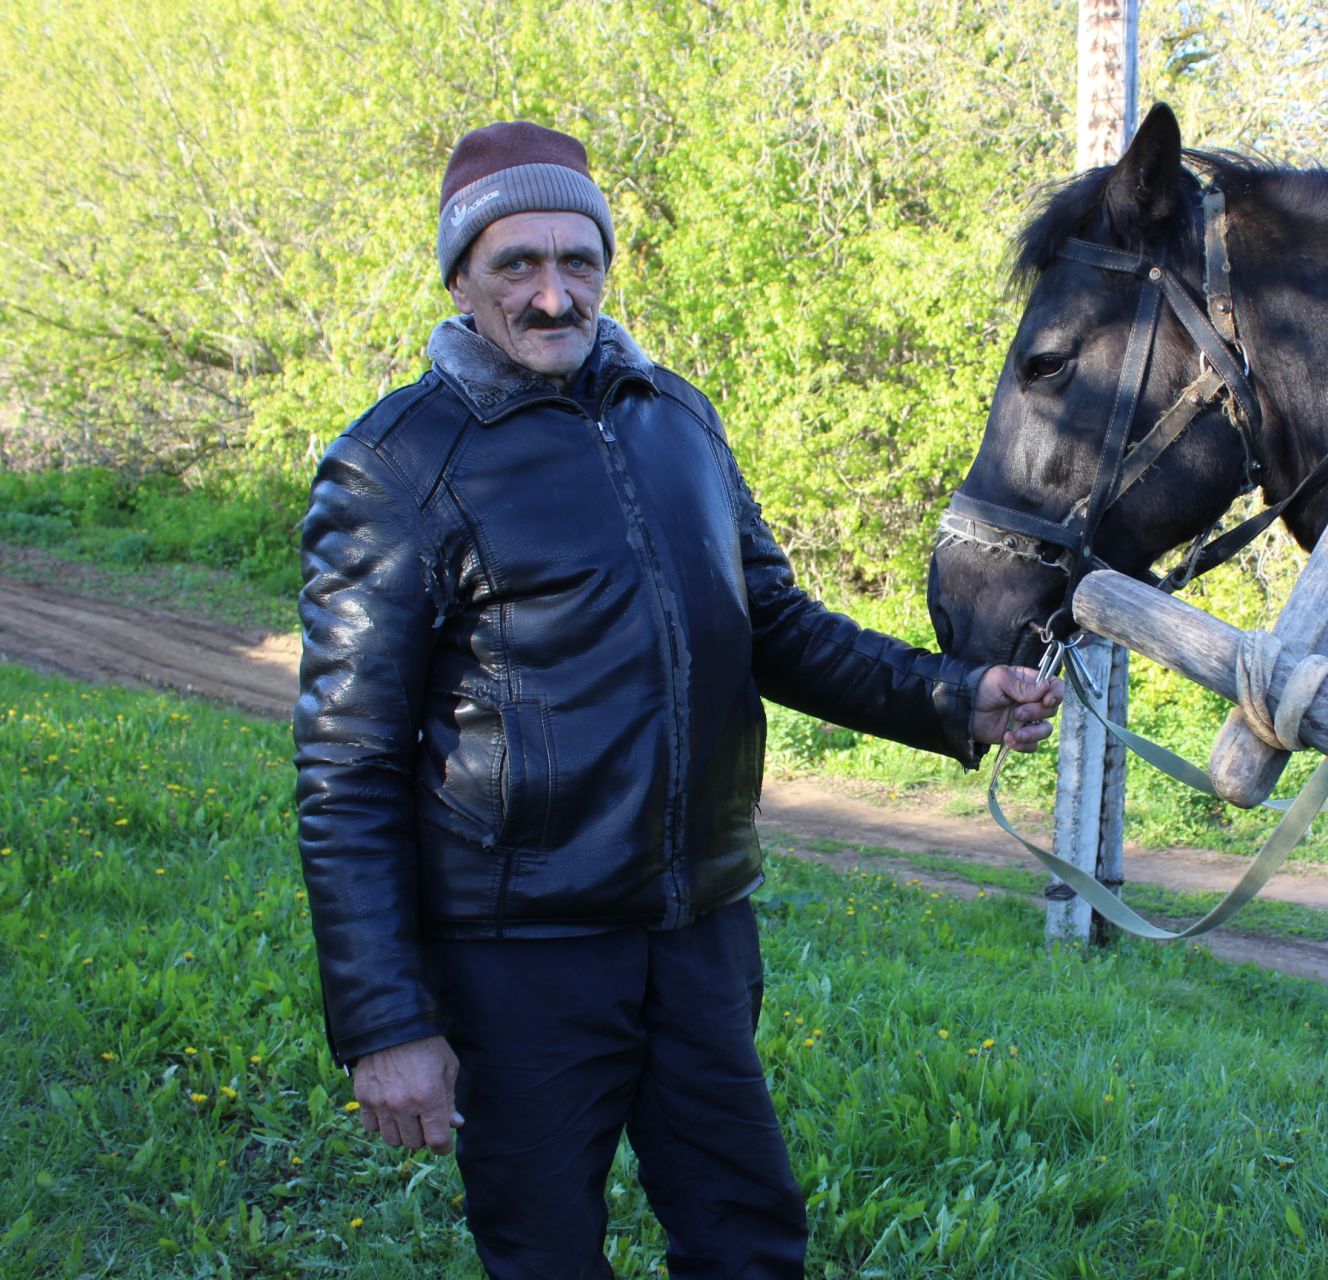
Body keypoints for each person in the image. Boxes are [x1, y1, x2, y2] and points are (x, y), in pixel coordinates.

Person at [293, 120, 1062, 1280]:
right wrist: (386, 1020)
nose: (554, 296)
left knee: (750, 1239)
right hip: (521, 957)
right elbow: (344, 765)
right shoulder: (396, 464)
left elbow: (776, 627)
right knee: (546, 1255)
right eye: (518, 265)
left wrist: (956, 699)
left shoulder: (676, 419)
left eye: (578, 261)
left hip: (698, 934)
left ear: (606, 263)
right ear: (461, 276)